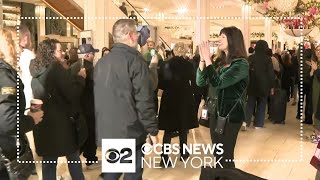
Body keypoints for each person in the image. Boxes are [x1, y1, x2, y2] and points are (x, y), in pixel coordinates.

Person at [94, 19, 159, 180]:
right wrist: (152, 131)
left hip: (109, 129)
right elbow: (144, 100)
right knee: (132, 176)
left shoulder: (102, 63)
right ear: (130, 36)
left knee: (112, 173)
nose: (138, 37)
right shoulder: (136, 62)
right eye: (137, 34)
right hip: (130, 131)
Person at [30, 38, 86, 180]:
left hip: (43, 123)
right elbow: (72, 93)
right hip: (62, 123)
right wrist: (81, 78)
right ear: (51, 53)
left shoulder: (36, 71)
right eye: (60, 50)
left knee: (49, 162)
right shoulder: (55, 69)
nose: (63, 53)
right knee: (73, 157)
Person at [197, 26, 249, 169]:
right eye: (219, 36)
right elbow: (200, 82)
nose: (219, 39)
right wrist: (202, 60)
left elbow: (218, 82)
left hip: (230, 116)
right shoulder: (219, 62)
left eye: (223, 37)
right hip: (215, 113)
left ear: (233, 40)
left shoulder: (241, 64)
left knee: (226, 157)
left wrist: (208, 59)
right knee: (218, 154)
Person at [0, 28, 43, 179]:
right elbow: (8, 121)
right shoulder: (5, 75)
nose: (21, 50)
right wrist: (31, 120)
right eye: (18, 45)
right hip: (6, 153)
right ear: (9, 47)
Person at [158, 42, 199, 166]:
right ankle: (183, 153)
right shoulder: (188, 65)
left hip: (169, 98)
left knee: (168, 129)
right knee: (183, 126)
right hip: (184, 98)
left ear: (174, 51)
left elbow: (161, 84)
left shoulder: (165, 64)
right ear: (185, 51)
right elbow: (194, 80)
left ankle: (164, 157)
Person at [70, 44, 101, 170]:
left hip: (76, 107)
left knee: (80, 133)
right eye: (93, 53)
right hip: (89, 107)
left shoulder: (72, 67)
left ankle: (75, 157)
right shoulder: (91, 69)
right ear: (88, 55)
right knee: (91, 133)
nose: (94, 55)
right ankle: (91, 159)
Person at [244, 40, 275, 129]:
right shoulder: (267, 58)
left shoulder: (250, 58)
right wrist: (272, 86)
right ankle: (258, 124)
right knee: (262, 104)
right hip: (263, 85)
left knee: (250, 104)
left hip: (252, 84)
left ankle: (246, 122)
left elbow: (246, 72)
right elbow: (271, 74)